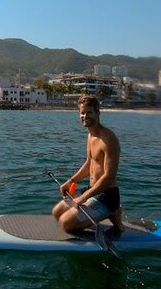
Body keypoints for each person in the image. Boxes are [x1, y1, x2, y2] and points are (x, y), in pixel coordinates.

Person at [52, 95, 125, 234]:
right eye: (82, 112)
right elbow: (88, 164)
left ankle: (113, 211)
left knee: (66, 223)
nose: (85, 116)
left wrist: (83, 198)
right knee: (57, 212)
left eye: (89, 112)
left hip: (107, 196)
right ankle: (92, 216)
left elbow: (109, 177)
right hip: (92, 190)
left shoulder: (109, 139)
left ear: (98, 113)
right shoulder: (90, 136)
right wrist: (70, 181)